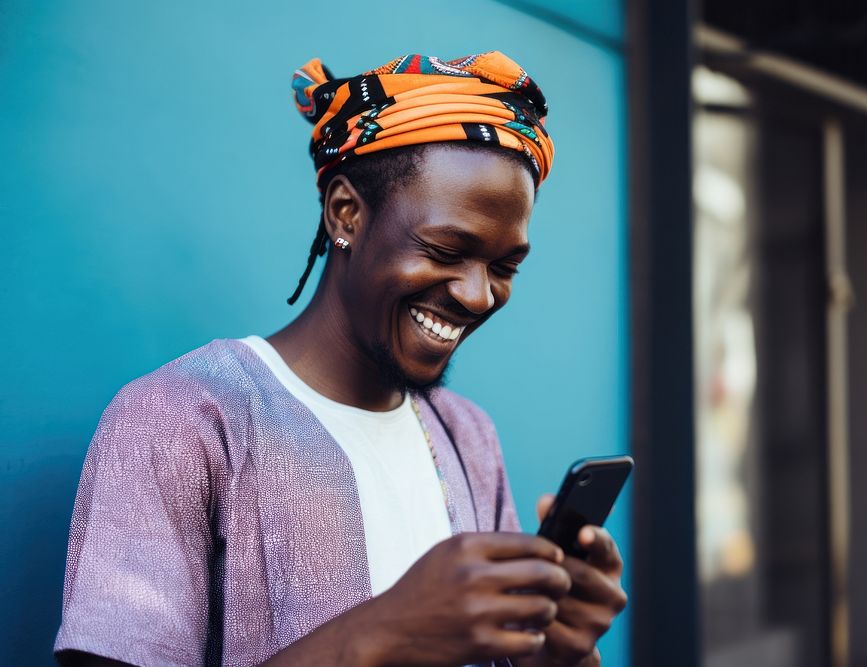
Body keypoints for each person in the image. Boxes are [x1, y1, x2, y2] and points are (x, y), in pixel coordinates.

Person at [54, 51, 627, 667]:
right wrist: (382, 634)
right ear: (345, 212)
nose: (477, 294)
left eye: (504, 266)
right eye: (443, 249)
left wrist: (558, 654)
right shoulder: (180, 422)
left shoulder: (467, 436)